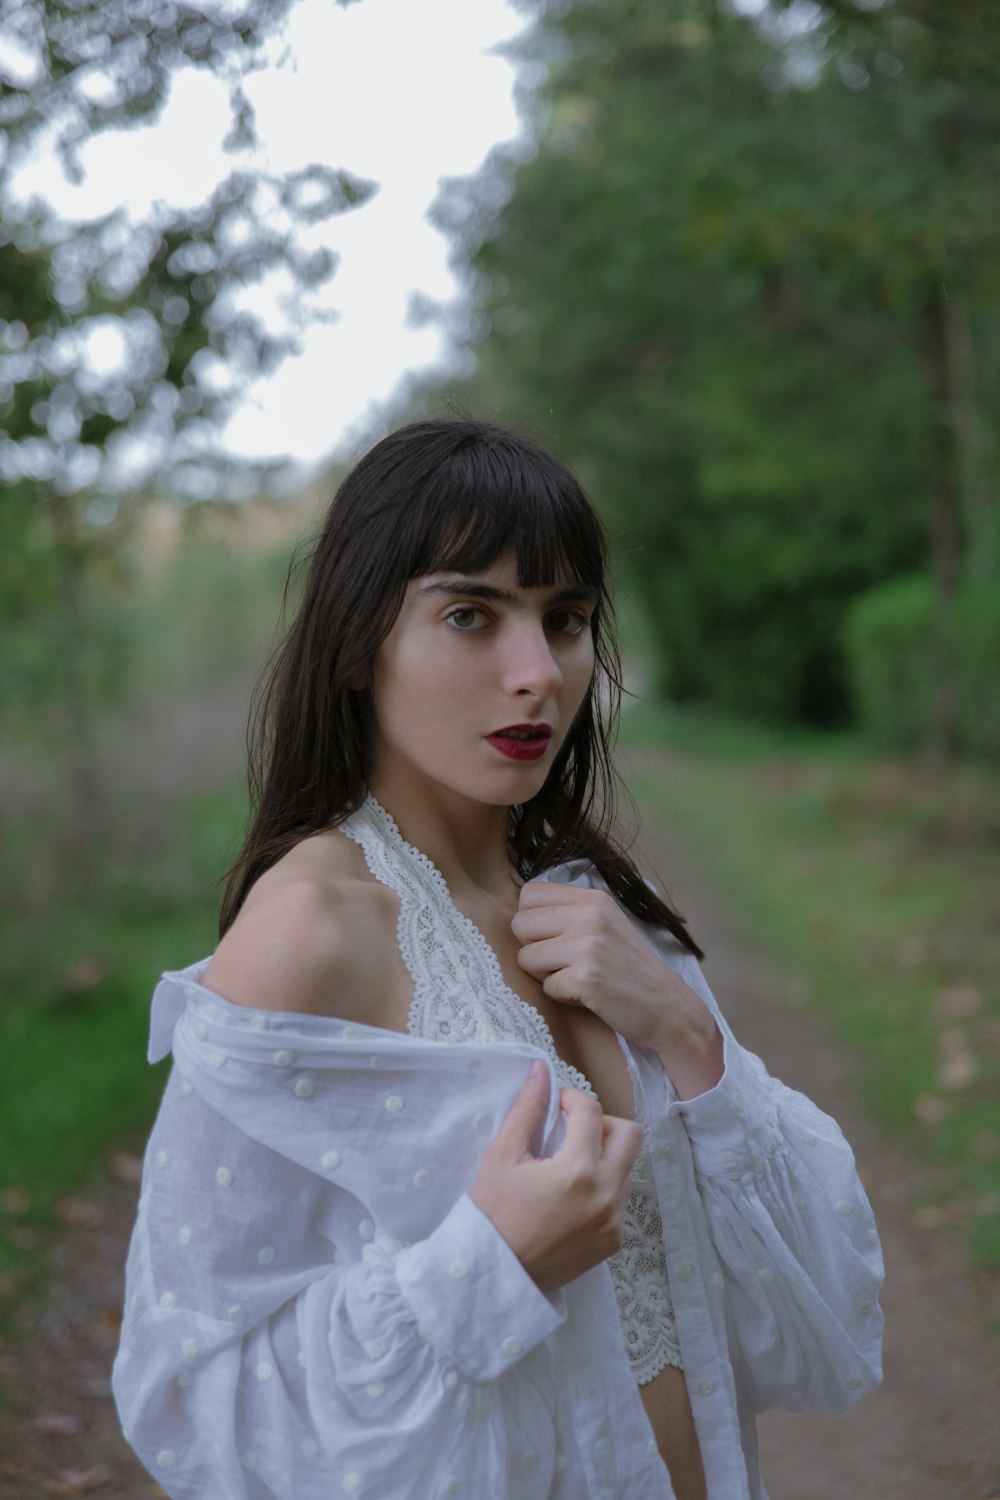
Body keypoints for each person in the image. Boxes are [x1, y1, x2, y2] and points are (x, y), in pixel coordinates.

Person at [113, 418, 884, 1500]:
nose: (537, 674)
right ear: (356, 642)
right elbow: (192, 1395)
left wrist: (689, 1038)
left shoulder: (592, 908)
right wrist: (486, 1263)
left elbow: (822, 1302)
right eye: (471, 615)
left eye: (564, 621)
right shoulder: (311, 930)